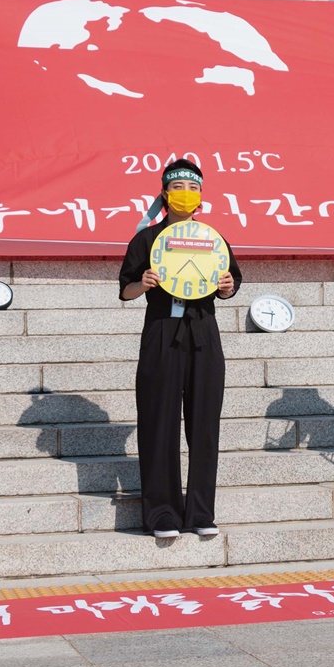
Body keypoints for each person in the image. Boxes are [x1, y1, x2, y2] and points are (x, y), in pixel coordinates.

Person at [119, 159, 241, 539]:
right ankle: (162, 516)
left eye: (193, 187)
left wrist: (226, 287)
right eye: (178, 187)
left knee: (205, 426)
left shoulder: (211, 238)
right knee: (159, 423)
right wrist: (144, 282)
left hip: (204, 333)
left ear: (201, 196)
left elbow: (233, 281)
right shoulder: (146, 239)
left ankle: (201, 512)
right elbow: (125, 290)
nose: (185, 194)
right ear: (164, 193)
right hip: (161, 333)